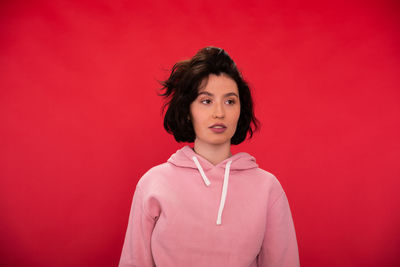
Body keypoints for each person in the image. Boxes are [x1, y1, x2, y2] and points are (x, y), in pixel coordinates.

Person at [119, 47, 300, 267]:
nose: (219, 113)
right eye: (206, 101)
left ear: (240, 110)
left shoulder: (268, 188)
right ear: (187, 110)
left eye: (230, 101)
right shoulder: (153, 183)